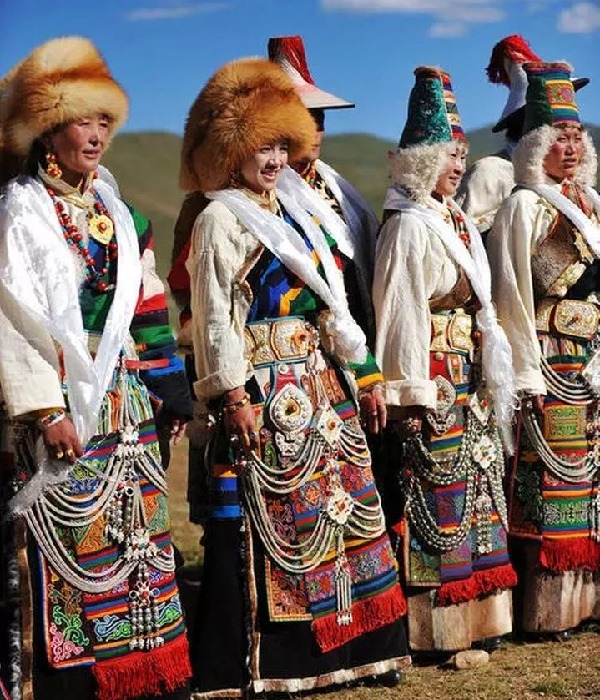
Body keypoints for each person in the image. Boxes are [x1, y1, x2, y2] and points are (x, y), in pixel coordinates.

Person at [181, 56, 409, 697]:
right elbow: (215, 319)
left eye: (284, 143)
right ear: (233, 148)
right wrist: (233, 395)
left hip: (319, 382)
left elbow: (334, 302)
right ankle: (283, 662)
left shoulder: (296, 212)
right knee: (277, 524)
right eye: (263, 145)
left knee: (345, 516)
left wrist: (363, 375)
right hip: (262, 391)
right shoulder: (218, 218)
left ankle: (360, 647)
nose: (276, 157)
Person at [0, 37, 193, 700]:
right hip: (60, 403)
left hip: (127, 402)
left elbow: (149, 305)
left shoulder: (122, 215)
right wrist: (45, 408)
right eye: (84, 121)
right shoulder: (22, 211)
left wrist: (170, 393)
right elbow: (12, 317)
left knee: (136, 542)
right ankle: (74, 685)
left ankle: (142, 676)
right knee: (70, 540)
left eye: (105, 122)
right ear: (49, 129)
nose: (97, 135)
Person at [373, 66, 517, 654]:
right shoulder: (409, 226)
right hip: (432, 372)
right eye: (445, 155)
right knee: (437, 494)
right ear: (418, 162)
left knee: (478, 486)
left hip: (468, 372)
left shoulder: (453, 217)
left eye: (461, 154)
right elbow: (400, 310)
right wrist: (408, 390)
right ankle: (437, 627)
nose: (457, 166)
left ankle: (482, 615)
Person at [487, 61, 600, 638]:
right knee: (552, 486)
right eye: (558, 137)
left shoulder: (593, 202)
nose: (570, 147)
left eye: (577, 136)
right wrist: (525, 375)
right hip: (551, 355)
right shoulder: (522, 207)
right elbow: (512, 296)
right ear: (535, 145)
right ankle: (549, 608)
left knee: (592, 483)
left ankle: (590, 600)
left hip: (594, 354)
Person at [268, 35, 378, 344]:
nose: (316, 132)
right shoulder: (259, 198)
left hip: (357, 332)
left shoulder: (341, 191)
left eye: (320, 121)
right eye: (304, 121)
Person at [456, 35, 589, 242]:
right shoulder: (490, 172)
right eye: (560, 135)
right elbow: (467, 243)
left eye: (576, 136)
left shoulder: (570, 184)